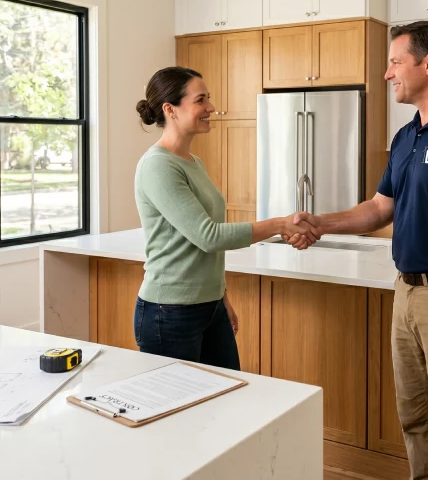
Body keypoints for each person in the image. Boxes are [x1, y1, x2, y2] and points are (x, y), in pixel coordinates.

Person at [288, 21, 428, 479]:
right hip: (405, 293)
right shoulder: (407, 136)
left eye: (395, 62)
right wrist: (319, 223)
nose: (387, 74)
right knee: (415, 422)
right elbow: (377, 210)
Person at [133, 66, 320, 371]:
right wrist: (279, 225)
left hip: (209, 307)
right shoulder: (158, 167)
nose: (211, 108)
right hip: (169, 313)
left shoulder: (193, 162)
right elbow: (208, 236)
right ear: (171, 110)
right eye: (201, 100)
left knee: (225, 403)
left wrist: (221, 298)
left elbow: (204, 246)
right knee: (179, 413)